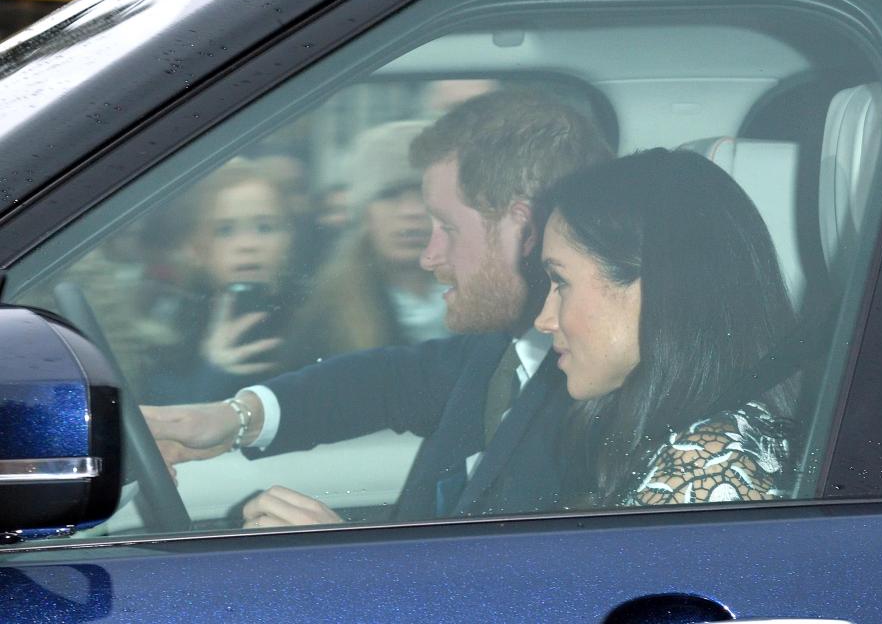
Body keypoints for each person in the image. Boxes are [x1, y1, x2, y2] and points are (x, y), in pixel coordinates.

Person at [143, 88, 613, 527]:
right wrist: (234, 417)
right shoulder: (507, 349)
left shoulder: (601, 395)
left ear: (522, 229)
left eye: (447, 229)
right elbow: (389, 381)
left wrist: (356, 563)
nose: (429, 256)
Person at [533, 149, 797, 509]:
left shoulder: (706, 467)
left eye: (560, 282)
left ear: (655, 285)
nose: (544, 320)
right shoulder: (700, 443)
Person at [143, 158, 307, 404]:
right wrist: (213, 373)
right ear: (195, 249)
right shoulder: (168, 334)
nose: (248, 245)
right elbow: (166, 429)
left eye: (265, 227)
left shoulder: (316, 315)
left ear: (289, 238)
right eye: (225, 231)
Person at [284, 120, 447, 363]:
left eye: (424, 194)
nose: (411, 211)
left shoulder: (493, 301)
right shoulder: (327, 315)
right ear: (364, 214)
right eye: (389, 195)